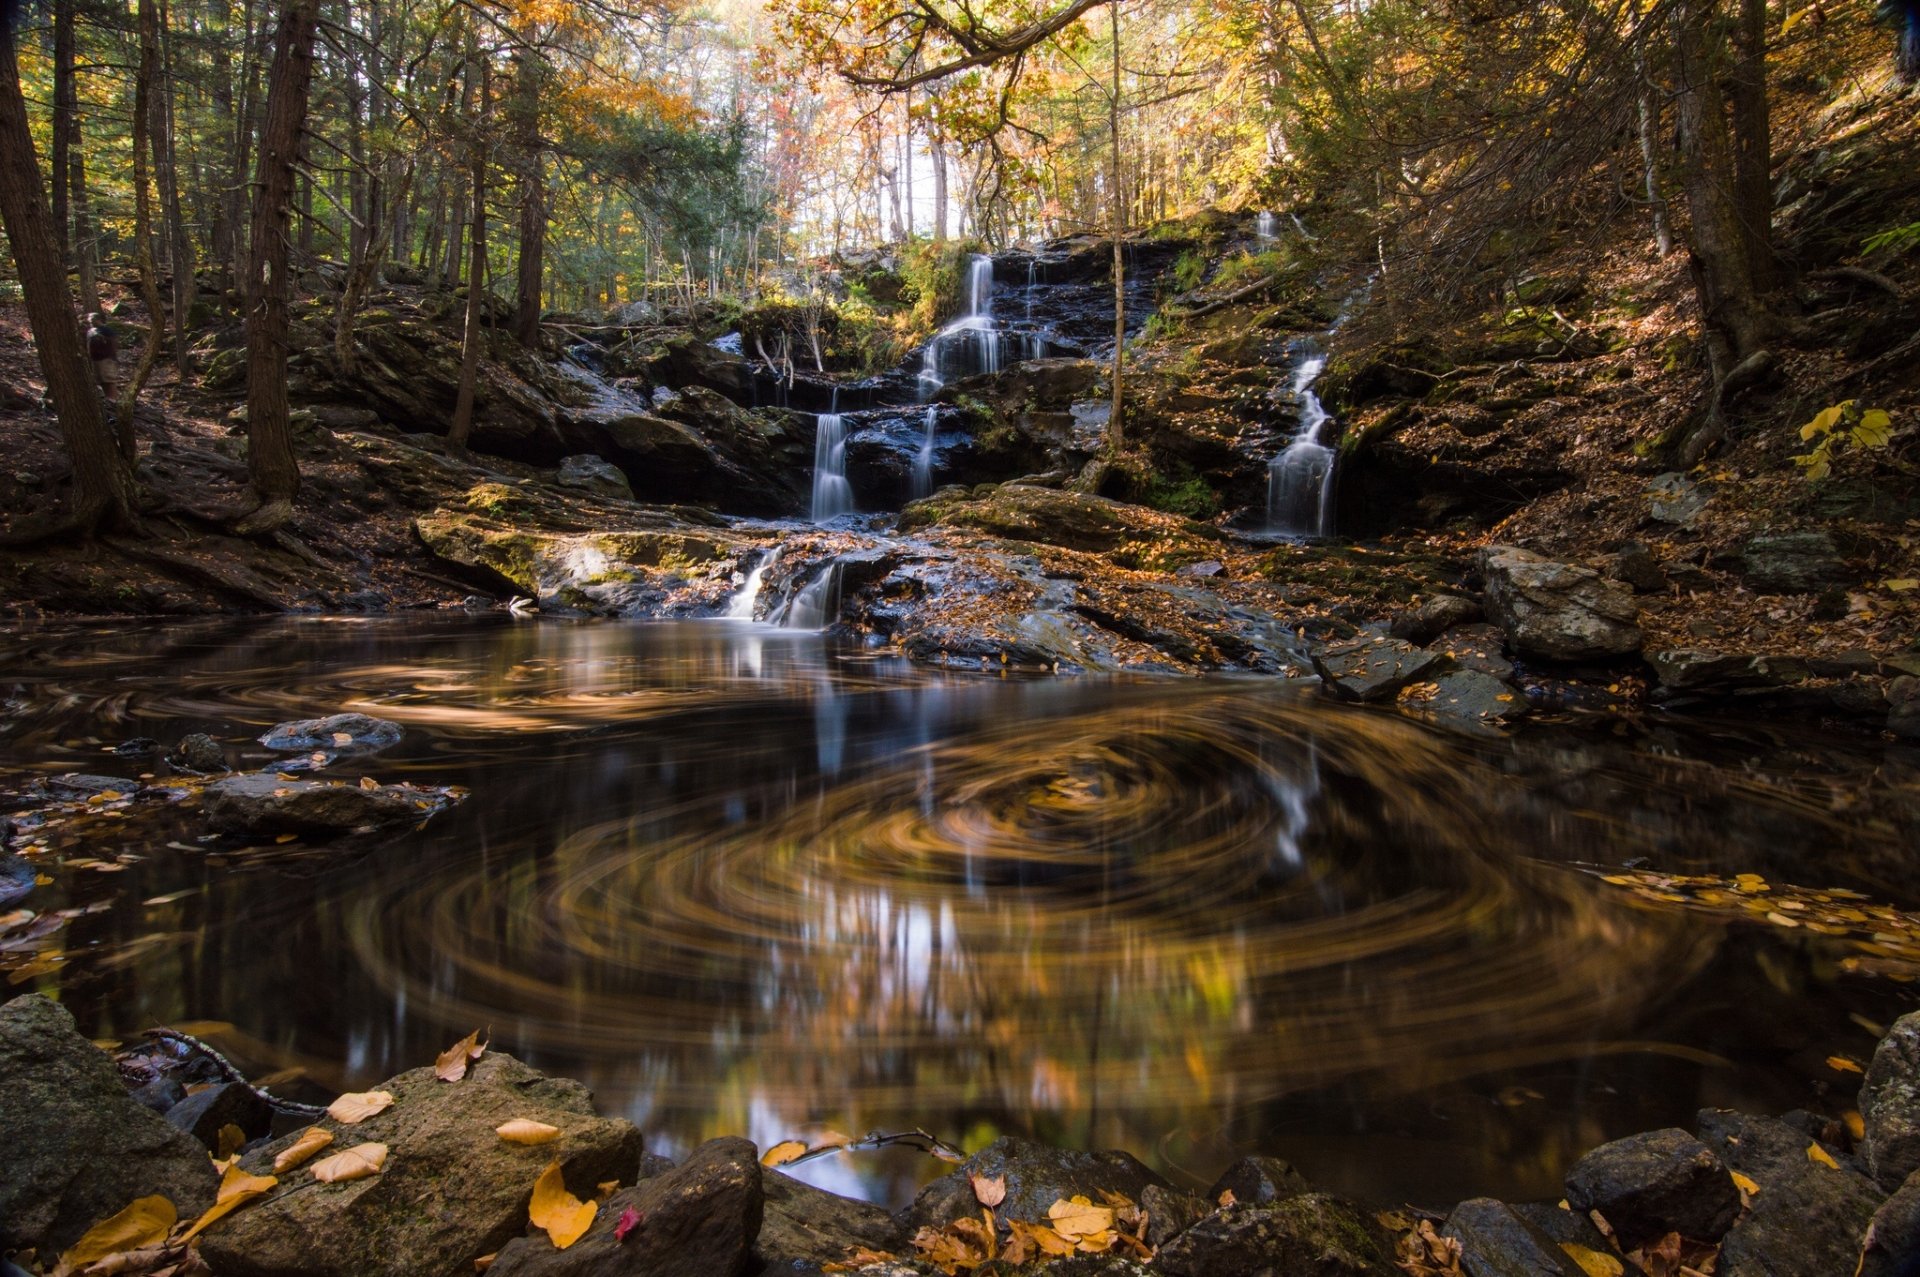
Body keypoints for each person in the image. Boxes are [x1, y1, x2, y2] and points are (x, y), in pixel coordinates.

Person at [84, 311, 119, 406]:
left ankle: (113, 400)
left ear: (98, 320)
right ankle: (107, 399)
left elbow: (114, 344)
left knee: (109, 379)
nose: (90, 322)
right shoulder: (90, 331)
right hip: (95, 359)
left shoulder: (106, 330)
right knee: (100, 379)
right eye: (89, 321)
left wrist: (111, 355)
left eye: (92, 320)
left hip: (106, 359)